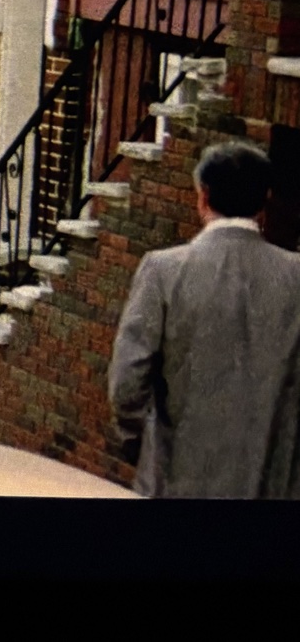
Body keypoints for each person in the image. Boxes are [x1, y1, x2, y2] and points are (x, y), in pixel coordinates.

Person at [107, 140, 300, 499]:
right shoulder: (295, 276)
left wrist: (138, 443)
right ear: (264, 201)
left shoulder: (164, 271)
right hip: (272, 485)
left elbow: (127, 382)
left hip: (177, 480)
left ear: (203, 196)